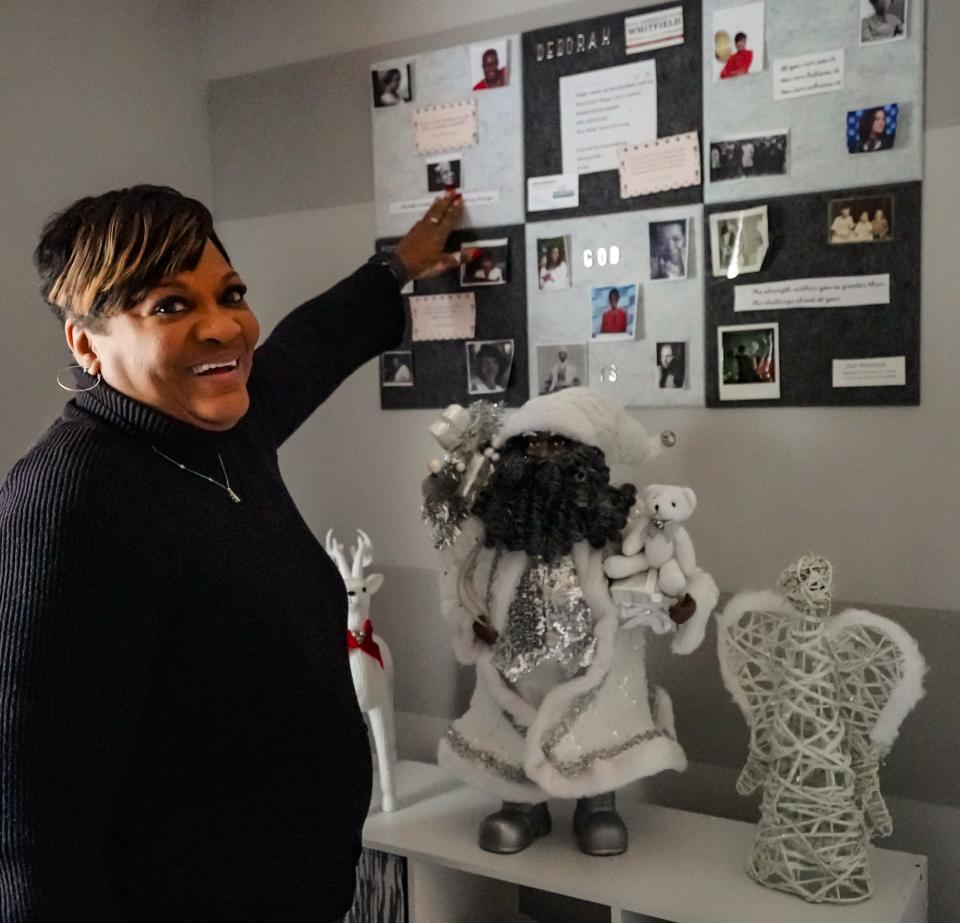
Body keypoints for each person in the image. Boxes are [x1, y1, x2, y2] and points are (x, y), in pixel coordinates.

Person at [0, 184, 461, 922]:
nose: (224, 328)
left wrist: (397, 266)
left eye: (231, 292)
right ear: (86, 341)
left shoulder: (219, 432)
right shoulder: (67, 503)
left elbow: (309, 346)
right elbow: (33, 839)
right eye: (170, 305)